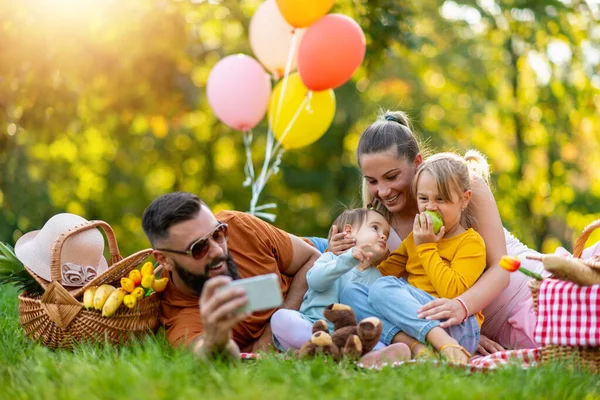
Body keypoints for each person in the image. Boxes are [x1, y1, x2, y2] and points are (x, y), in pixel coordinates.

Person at [329, 110, 545, 353]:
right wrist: (340, 255)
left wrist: (464, 310)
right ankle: (426, 346)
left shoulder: (459, 183)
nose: (384, 191)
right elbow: (393, 292)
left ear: (417, 163)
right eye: (372, 181)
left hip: (525, 297)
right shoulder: (377, 223)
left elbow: (502, 267)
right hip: (457, 323)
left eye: (392, 176)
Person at [342, 151, 488, 363]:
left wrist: (427, 248)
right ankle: (419, 349)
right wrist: (368, 256)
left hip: (456, 326)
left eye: (441, 199)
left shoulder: (470, 243)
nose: (430, 207)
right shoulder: (415, 238)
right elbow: (381, 274)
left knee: (383, 288)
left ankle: (446, 346)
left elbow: (452, 291)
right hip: (416, 322)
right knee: (351, 292)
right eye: (423, 199)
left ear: (464, 200)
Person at [141, 192, 321, 359]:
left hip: (319, 257)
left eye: (218, 233)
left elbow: (313, 257)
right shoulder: (182, 318)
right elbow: (209, 357)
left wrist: (274, 330)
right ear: (165, 260)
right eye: (198, 248)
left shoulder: (237, 224)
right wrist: (215, 340)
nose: (218, 250)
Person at [271, 208, 390, 351]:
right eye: (375, 228)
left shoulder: (377, 277)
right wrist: (347, 260)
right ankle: (328, 346)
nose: (383, 236)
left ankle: (333, 349)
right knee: (280, 318)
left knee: (379, 341)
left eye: (386, 234)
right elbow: (315, 281)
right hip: (312, 325)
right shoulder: (330, 258)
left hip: (348, 335)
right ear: (348, 231)